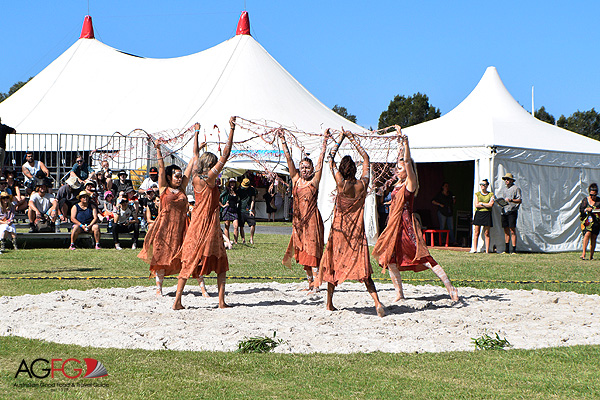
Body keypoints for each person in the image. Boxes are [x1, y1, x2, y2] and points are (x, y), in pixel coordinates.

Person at [372, 126, 459, 303]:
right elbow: (400, 159)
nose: (398, 170)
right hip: (394, 225)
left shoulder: (410, 184)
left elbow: (407, 161)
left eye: (401, 168)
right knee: (391, 259)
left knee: (424, 258)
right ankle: (399, 293)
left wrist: (406, 142)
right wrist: (398, 138)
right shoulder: (396, 184)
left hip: (407, 225)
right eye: (397, 168)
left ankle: (450, 287)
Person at [315, 130, 385, 317]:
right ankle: (377, 302)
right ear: (354, 169)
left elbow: (330, 160)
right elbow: (367, 158)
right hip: (357, 235)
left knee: (333, 267)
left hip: (339, 233)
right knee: (365, 272)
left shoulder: (340, 185)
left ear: (342, 170)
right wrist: (353, 139)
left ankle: (329, 303)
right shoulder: (362, 185)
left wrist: (340, 139)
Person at [173, 117, 236, 310]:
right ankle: (221, 302)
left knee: (189, 260)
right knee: (220, 262)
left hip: (195, 222)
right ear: (211, 165)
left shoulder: (194, 176)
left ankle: (177, 300)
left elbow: (194, 154)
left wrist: (197, 133)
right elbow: (225, 154)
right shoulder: (209, 178)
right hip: (208, 224)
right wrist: (232, 130)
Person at [138, 134, 197, 296]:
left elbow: (191, 165)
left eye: (180, 176)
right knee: (161, 257)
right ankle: (159, 289)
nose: (179, 179)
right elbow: (161, 168)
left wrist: (197, 141)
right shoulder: (164, 188)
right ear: (170, 178)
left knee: (188, 256)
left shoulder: (183, 189)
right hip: (164, 228)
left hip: (181, 227)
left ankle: (203, 288)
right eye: (176, 176)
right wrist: (157, 149)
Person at [280, 128, 328, 292]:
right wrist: (284, 142)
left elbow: (321, 163)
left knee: (312, 252)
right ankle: (310, 283)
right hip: (298, 222)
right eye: (302, 167)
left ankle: (317, 284)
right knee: (302, 253)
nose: (304, 170)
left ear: (312, 169)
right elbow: (289, 161)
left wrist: (324, 144)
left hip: (312, 221)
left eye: (307, 167)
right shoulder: (296, 180)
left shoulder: (314, 182)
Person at [498, 172, 522, 254]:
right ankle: (506, 249)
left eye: (508, 179)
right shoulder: (504, 189)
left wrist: (511, 200)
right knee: (506, 230)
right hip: (504, 210)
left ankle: (514, 249)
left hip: (512, 211)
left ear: (511, 180)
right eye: (505, 179)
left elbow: (519, 200)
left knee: (512, 230)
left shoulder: (516, 188)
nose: (506, 181)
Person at [471, 179, 495, 253]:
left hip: (487, 214)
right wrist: (485, 204)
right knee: (476, 232)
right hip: (479, 213)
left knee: (487, 233)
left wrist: (482, 203)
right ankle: (475, 249)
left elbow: (491, 205)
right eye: (481, 184)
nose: (482, 186)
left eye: (484, 184)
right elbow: (476, 205)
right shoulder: (477, 194)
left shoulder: (491, 194)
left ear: (487, 186)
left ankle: (487, 250)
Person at [579, 183, 600, 260]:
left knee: (594, 237)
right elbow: (581, 210)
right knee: (587, 234)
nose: (592, 197)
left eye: (594, 195)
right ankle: (583, 254)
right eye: (591, 195)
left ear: (596, 194)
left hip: (596, 222)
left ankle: (591, 256)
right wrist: (586, 210)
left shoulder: (599, 201)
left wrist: (594, 210)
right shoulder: (585, 200)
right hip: (587, 222)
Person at [220, 178, 240, 244]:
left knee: (236, 226)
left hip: (234, 209)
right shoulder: (226, 191)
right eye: (231, 183)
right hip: (228, 209)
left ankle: (236, 241)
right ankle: (227, 240)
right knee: (227, 226)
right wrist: (223, 205)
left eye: (233, 183)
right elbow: (219, 197)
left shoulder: (236, 191)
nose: (232, 184)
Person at [237, 177, 257, 244]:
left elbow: (253, 200)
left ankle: (251, 238)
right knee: (241, 225)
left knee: (253, 223)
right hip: (241, 209)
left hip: (248, 209)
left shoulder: (252, 190)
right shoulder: (239, 190)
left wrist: (251, 209)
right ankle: (243, 239)